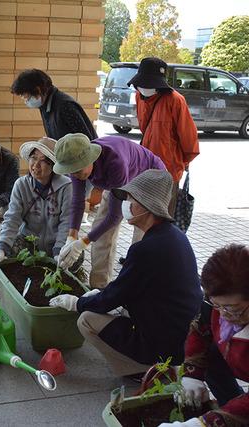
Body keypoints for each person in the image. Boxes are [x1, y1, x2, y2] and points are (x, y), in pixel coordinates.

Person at [49, 170, 202, 378]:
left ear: (148, 207)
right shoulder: (174, 236)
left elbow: (114, 296)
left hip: (164, 343)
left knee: (86, 320)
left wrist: (76, 303)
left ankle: (143, 369)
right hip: (180, 334)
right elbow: (129, 287)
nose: (126, 204)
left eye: (132, 199)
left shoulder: (146, 248)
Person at [54, 133, 165, 288]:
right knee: (101, 233)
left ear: (89, 159)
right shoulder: (75, 163)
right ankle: (99, 288)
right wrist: (72, 237)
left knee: (141, 241)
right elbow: (78, 201)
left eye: (77, 171)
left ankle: (135, 291)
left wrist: (82, 243)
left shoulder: (115, 162)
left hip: (148, 179)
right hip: (118, 183)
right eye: (70, 171)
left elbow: (115, 216)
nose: (74, 175)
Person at [160, 244, 249, 427]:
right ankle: (230, 407)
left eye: (233, 309)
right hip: (234, 357)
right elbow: (201, 330)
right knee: (209, 357)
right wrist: (192, 374)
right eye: (218, 305)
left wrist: (206, 423)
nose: (223, 314)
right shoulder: (215, 304)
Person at [0, 137, 73, 272]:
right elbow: (12, 218)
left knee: (74, 255)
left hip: (56, 244)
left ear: (54, 166)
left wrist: (58, 251)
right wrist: (1, 249)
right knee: (9, 251)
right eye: (33, 158)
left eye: (44, 161)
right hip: (29, 242)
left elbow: (66, 222)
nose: (36, 165)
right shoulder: (21, 185)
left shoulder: (66, 186)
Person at [127, 57, 199, 215]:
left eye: (149, 84)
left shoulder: (175, 100)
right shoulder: (139, 96)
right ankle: (143, 241)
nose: (145, 88)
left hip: (168, 170)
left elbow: (189, 138)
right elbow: (144, 126)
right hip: (144, 167)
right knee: (141, 214)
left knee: (163, 216)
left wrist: (182, 163)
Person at [10, 69, 98, 141]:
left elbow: (86, 140)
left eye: (27, 98)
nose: (26, 101)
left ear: (38, 90)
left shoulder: (65, 105)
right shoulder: (45, 105)